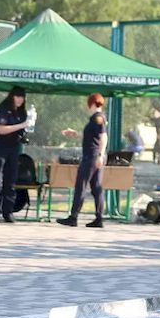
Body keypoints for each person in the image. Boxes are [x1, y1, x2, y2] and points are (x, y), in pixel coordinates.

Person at [59, 93, 108, 228]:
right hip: (94, 156)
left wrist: (100, 155)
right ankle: (99, 218)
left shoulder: (97, 118)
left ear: (91, 104)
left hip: (92, 156)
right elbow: (92, 136)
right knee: (96, 187)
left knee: (81, 185)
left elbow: (103, 137)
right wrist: (75, 133)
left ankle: (73, 217)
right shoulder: (96, 119)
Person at [0, 86, 30, 223]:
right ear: (12, 96)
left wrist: (23, 133)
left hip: (13, 148)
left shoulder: (22, 112)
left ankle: (8, 211)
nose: (19, 100)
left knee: (11, 180)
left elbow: (21, 129)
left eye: (22, 97)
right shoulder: (3, 108)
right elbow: (0, 129)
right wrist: (21, 125)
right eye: (17, 97)